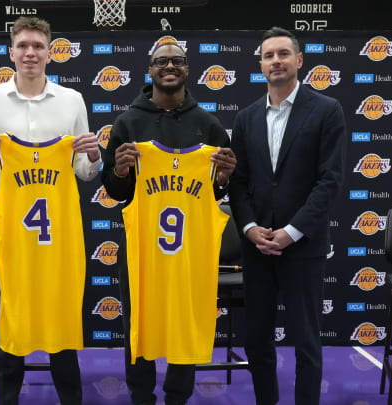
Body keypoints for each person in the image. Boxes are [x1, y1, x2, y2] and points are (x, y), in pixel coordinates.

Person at [0, 16, 101, 405]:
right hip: (8, 223)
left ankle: (70, 395)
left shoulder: (72, 100)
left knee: (61, 305)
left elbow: (85, 174)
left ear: (51, 52)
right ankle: (8, 395)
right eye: (23, 45)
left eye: (38, 46)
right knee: (12, 308)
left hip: (59, 223)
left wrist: (93, 156)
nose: (30, 52)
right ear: (11, 52)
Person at [101, 42, 236, 405]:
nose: (170, 66)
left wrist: (223, 178)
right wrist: (120, 169)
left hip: (190, 250)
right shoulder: (128, 122)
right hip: (143, 249)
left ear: (188, 69)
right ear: (150, 70)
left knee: (185, 322)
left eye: (177, 61)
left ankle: (178, 396)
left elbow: (218, 194)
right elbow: (114, 191)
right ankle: (141, 396)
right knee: (137, 324)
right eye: (162, 61)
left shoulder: (208, 126)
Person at [228, 27, 346, 405]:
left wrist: (292, 231)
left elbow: (330, 180)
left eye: (283, 54)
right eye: (268, 56)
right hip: (257, 248)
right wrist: (248, 229)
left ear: (299, 60)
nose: (275, 61)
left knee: (306, 342)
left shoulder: (327, 110)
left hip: (303, 248)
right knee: (257, 339)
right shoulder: (246, 119)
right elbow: (239, 182)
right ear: (261, 65)